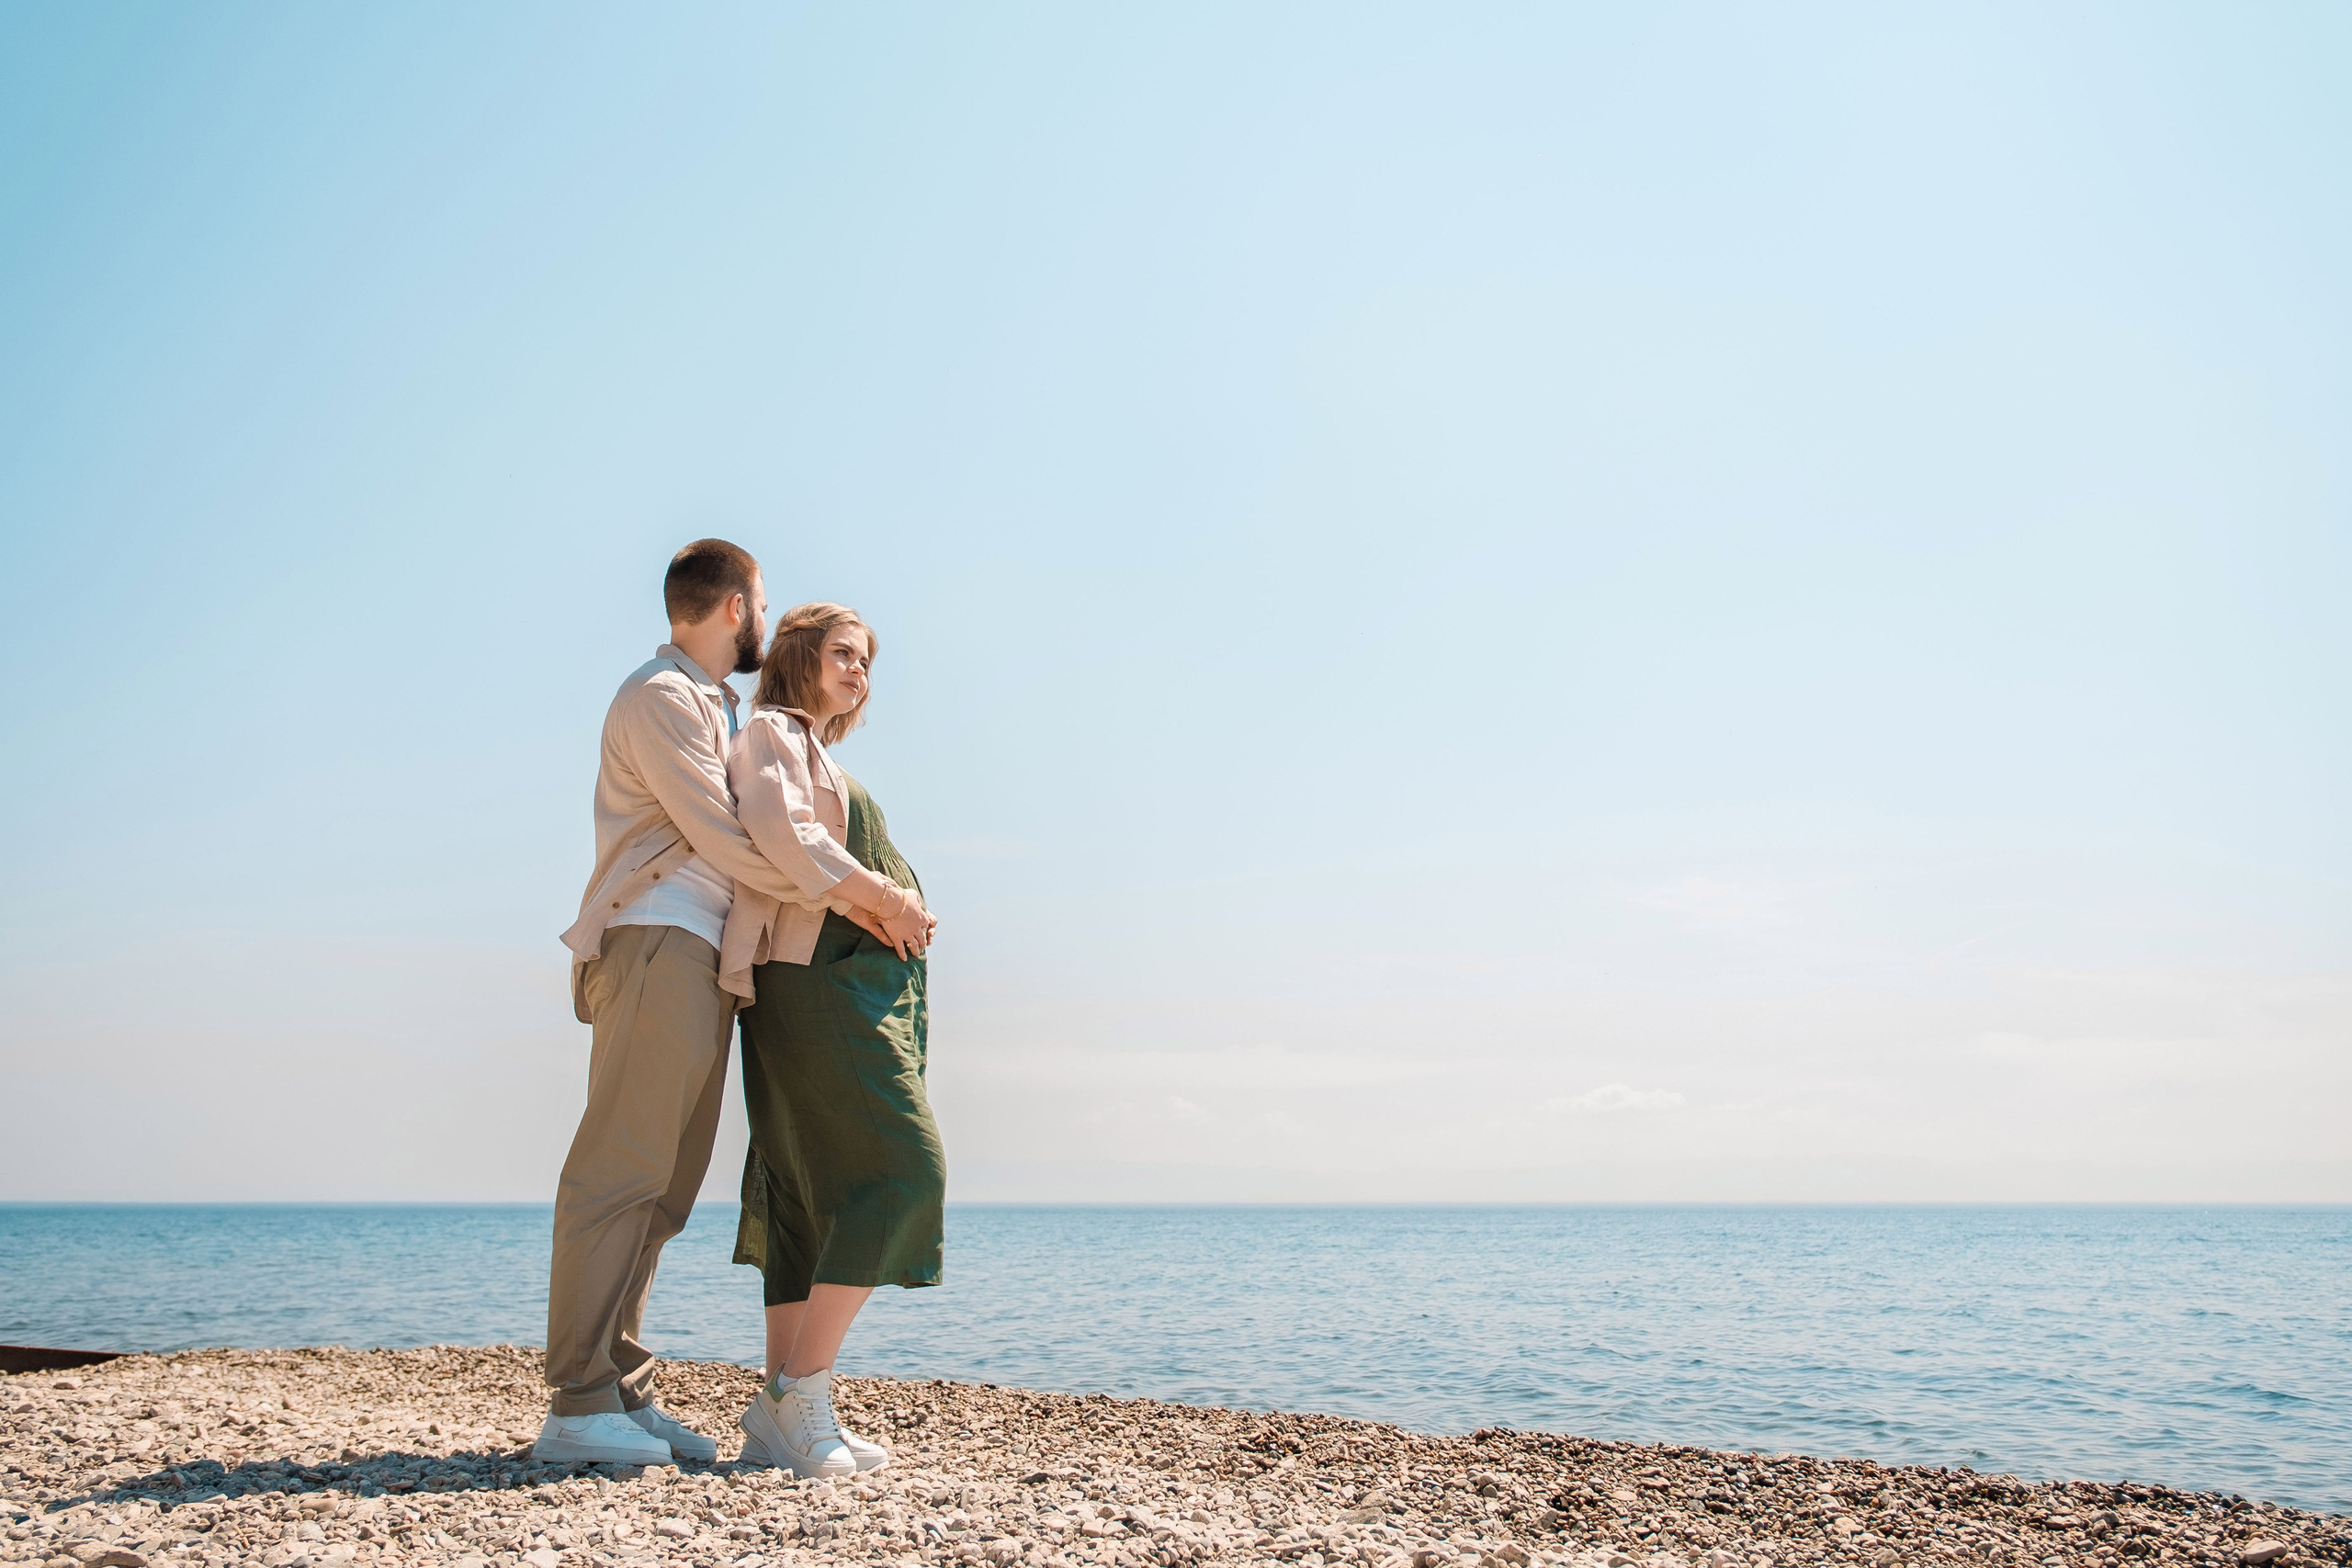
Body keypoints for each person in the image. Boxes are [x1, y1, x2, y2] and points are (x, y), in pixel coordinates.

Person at [536, 540, 840, 1467]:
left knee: (662, 1193)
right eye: (762, 604)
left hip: (702, 954)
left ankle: (619, 1392)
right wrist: (840, 891)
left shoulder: (713, 705)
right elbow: (723, 834)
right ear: (738, 608)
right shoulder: (661, 698)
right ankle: (576, 1403)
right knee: (619, 1170)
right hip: (658, 936)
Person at [715, 602, 946, 1478]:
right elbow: (787, 836)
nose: (859, 672)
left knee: (807, 1194)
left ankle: (787, 1403)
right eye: (844, 654)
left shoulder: (809, 747)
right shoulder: (772, 731)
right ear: (800, 655)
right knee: (904, 1168)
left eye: (867, 662)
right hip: (815, 988)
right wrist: (890, 901)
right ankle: (796, 1394)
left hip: (836, 988)